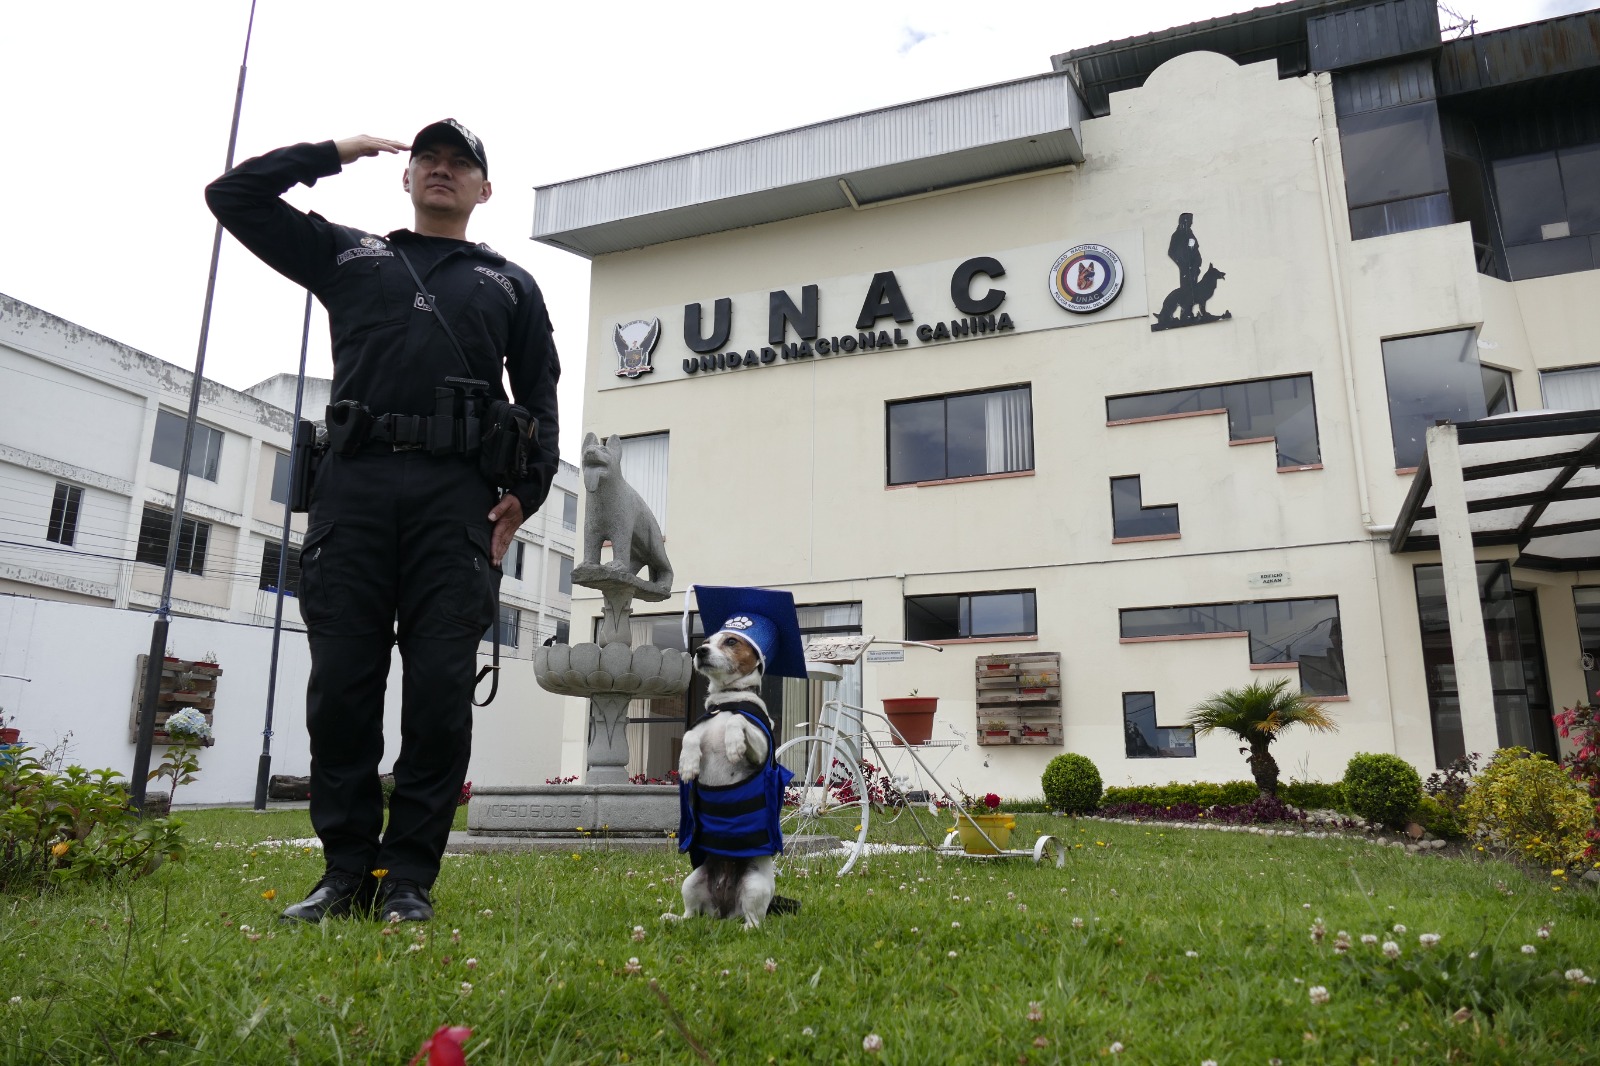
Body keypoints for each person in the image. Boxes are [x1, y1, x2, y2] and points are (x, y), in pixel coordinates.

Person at [206, 120, 560, 923]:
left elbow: (540, 395)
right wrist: (333, 153)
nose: (441, 170)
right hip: (353, 490)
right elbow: (233, 196)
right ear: (405, 177)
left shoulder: (509, 284)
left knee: (438, 694)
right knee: (341, 691)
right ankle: (344, 873)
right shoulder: (349, 254)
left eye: (460, 164)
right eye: (428, 159)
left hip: (456, 500)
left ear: (484, 189)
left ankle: (407, 881)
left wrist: (528, 491)